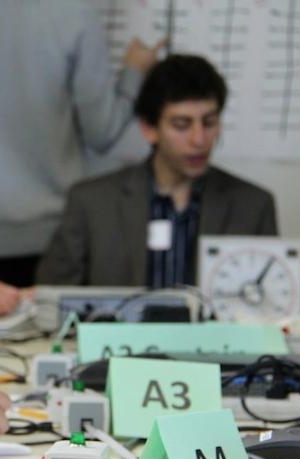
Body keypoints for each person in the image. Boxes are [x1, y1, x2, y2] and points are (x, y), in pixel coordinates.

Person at [0, 0, 162, 290]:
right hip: (61, 236)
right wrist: (134, 73)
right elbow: (102, 132)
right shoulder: (74, 14)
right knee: (63, 335)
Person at [36, 54, 278, 287]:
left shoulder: (253, 206)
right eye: (182, 125)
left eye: (209, 122)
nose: (199, 139)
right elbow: (51, 299)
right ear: (150, 129)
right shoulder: (92, 203)